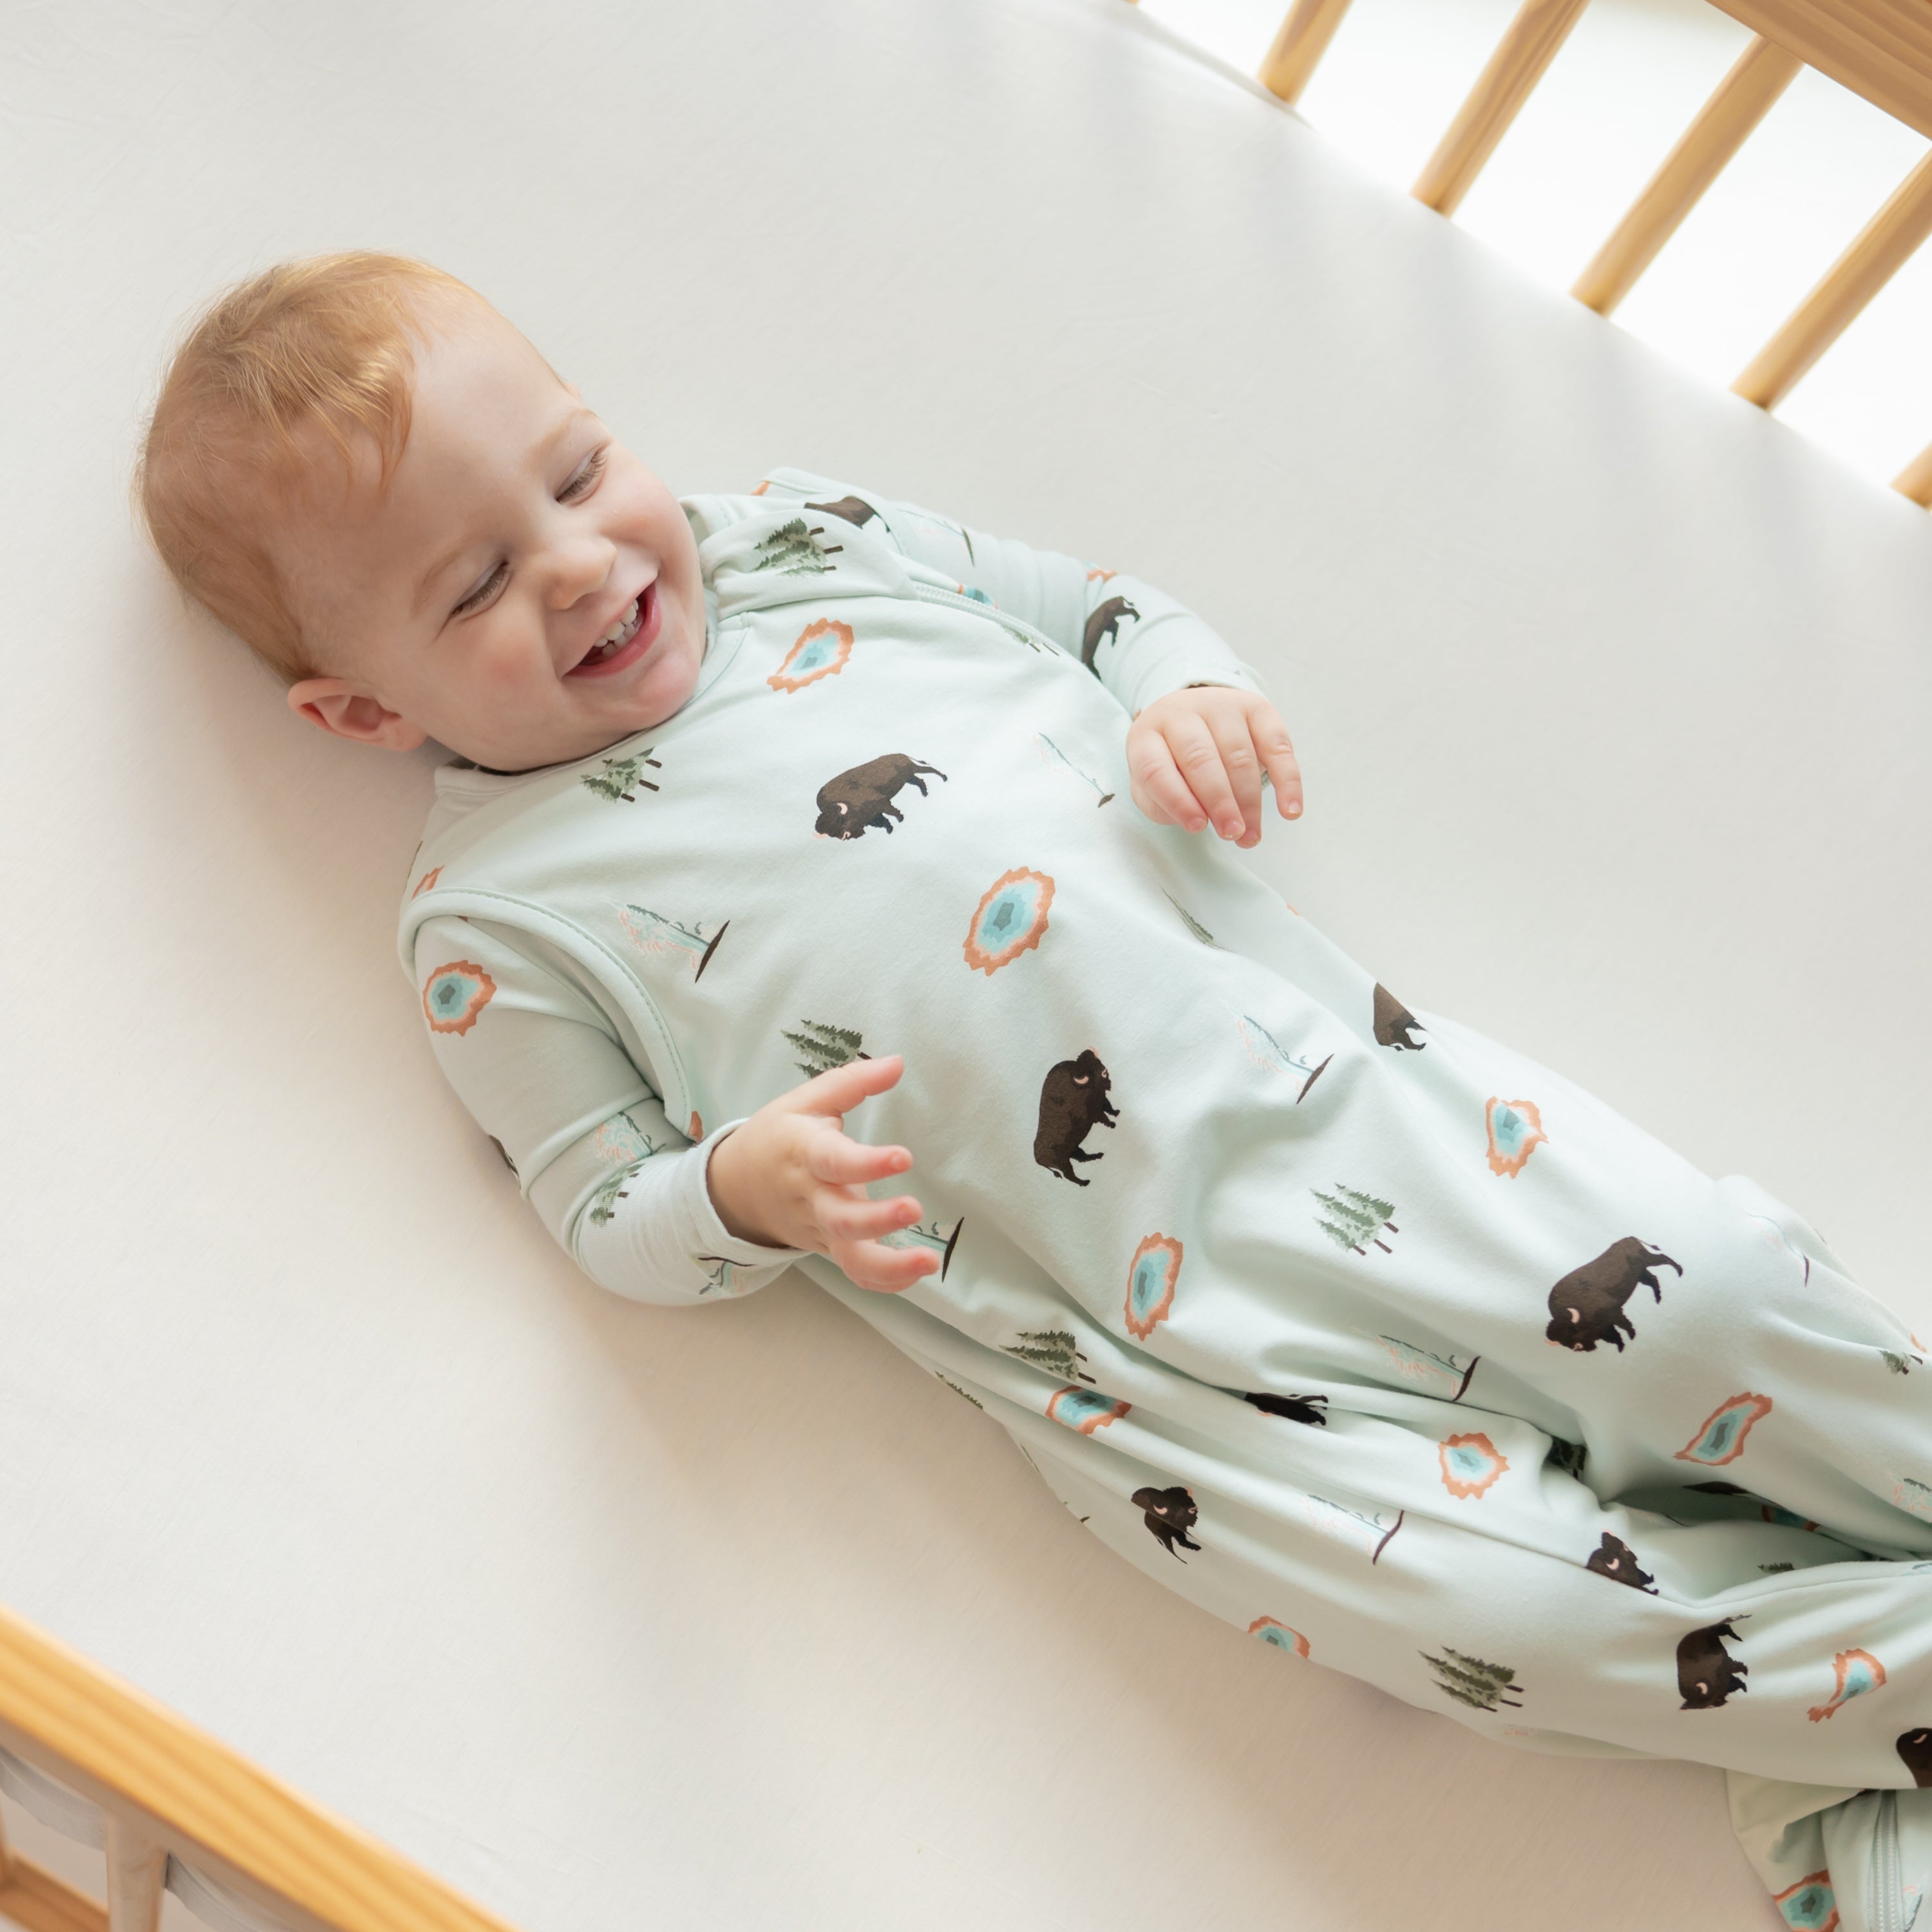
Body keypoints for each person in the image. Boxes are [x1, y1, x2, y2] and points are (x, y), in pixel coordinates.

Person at [139, 251, 1932, 1931]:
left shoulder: (804, 543)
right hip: (1146, 1382)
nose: (583, 562)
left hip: (1359, 1117)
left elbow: (1098, 610)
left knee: (1717, 1292)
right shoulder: (492, 925)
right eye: (472, 586)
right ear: (363, 716)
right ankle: (1876, 1703)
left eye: (580, 468)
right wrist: (738, 1194)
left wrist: (1184, 692)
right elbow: (599, 1203)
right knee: (1502, 1613)